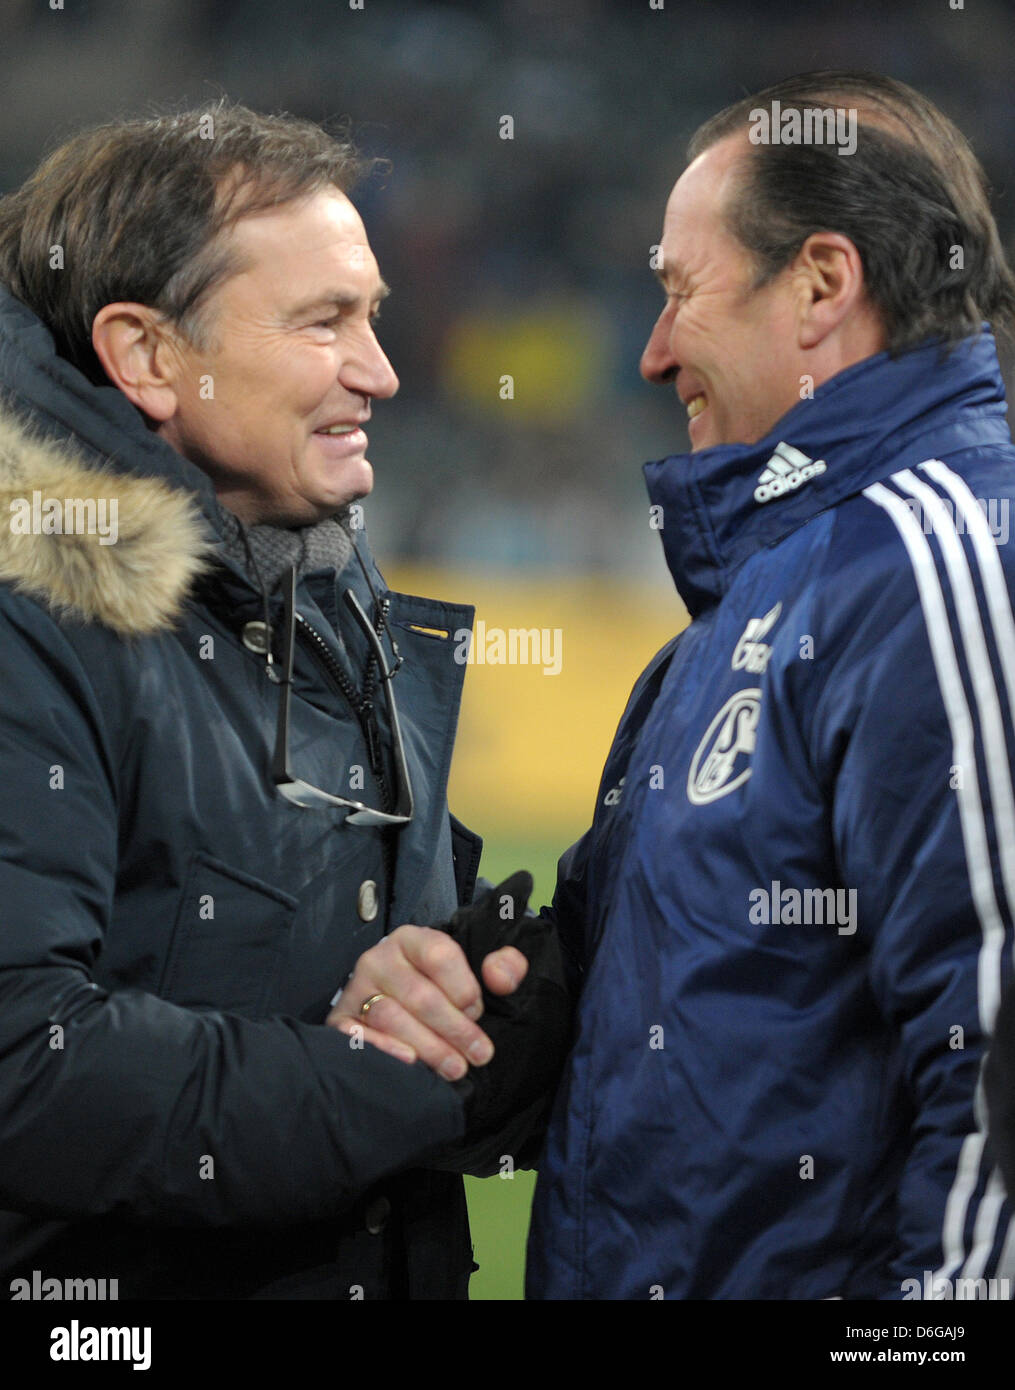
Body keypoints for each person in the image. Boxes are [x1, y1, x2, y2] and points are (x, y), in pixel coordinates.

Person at [0, 101, 549, 1301]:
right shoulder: (24, 612)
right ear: (147, 355)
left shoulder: (324, 576)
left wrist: (478, 991)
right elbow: (25, 1064)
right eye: (324, 324)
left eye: (375, 318)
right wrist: (400, 1079)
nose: (384, 371)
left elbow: (372, 960)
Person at [525, 71, 1015, 1300]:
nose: (649, 352)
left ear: (818, 285)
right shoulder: (756, 602)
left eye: (678, 291)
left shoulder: (943, 565)